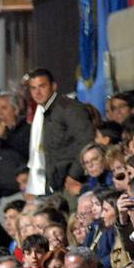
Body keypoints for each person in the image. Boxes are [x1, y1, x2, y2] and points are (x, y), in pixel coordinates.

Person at [24, 68, 95, 197]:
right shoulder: (42, 113)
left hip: (75, 183)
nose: (37, 92)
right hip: (56, 185)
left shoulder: (69, 108)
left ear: (54, 86)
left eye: (42, 86)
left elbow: (87, 141)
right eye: (33, 88)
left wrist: (73, 175)